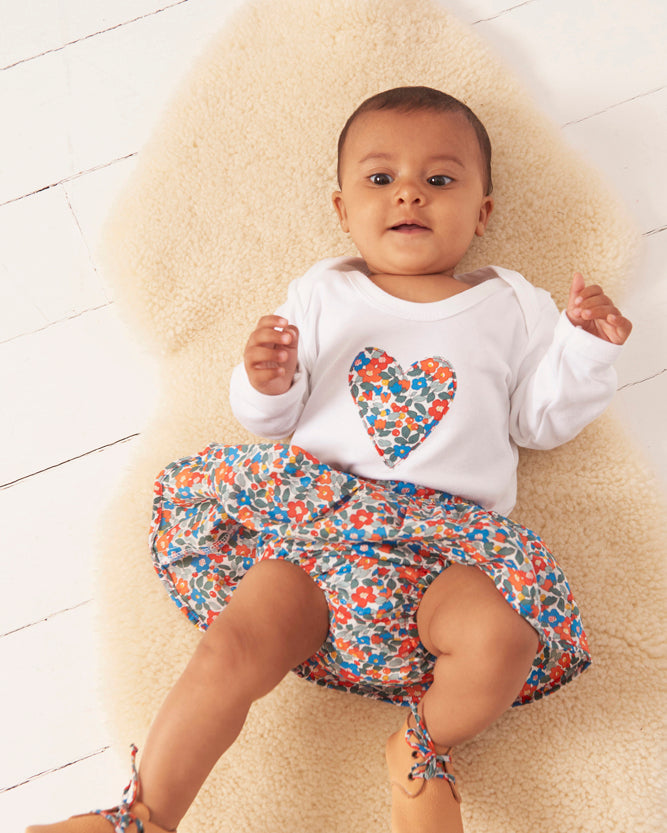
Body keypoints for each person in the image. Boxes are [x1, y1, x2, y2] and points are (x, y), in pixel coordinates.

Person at [27, 86, 632, 833]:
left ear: (481, 212)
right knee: (233, 645)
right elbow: (271, 420)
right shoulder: (325, 291)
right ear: (343, 208)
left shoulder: (509, 304)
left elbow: (541, 421)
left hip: (441, 549)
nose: (409, 190)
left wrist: (584, 348)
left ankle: (421, 744)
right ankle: (144, 814)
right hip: (318, 528)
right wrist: (263, 379)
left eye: (440, 179)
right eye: (380, 179)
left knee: (504, 637)